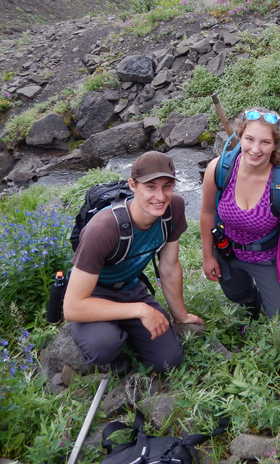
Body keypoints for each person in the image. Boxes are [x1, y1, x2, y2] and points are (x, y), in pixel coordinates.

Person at [64, 151, 204, 373]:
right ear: (132, 185)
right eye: (151, 187)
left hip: (129, 287)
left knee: (168, 361)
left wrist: (180, 315)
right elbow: (72, 307)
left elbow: (169, 266)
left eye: (167, 186)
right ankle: (109, 339)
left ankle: (123, 326)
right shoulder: (103, 228)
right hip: (93, 293)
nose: (160, 196)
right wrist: (141, 310)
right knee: (104, 347)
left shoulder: (173, 209)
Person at [200, 108, 280, 320]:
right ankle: (252, 300)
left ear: (275, 145)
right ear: (239, 136)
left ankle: (275, 297)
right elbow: (207, 213)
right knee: (237, 295)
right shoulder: (219, 169)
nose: (255, 149)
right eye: (249, 139)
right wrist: (207, 256)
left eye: (265, 142)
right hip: (227, 251)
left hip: (267, 257)